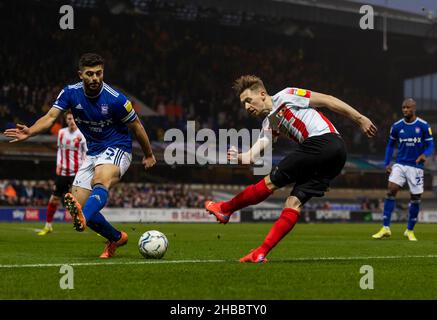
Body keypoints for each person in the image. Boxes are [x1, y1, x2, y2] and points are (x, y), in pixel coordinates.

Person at [205, 75, 377, 263]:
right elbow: (252, 157)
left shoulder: (287, 95)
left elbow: (328, 100)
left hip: (323, 141)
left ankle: (225, 208)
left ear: (262, 94)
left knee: (270, 183)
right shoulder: (269, 124)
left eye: (248, 100)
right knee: (293, 203)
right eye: (243, 104)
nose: (246, 107)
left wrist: (360, 119)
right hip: (335, 156)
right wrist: (240, 157)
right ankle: (260, 253)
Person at [4, 53, 156, 258]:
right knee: (82, 205)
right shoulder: (70, 93)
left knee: (99, 182)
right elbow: (50, 118)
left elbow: (136, 126)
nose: (95, 78)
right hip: (92, 152)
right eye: (90, 74)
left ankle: (82, 217)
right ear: (80, 75)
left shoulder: (116, 99)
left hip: (117, 147)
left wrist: (148, 154)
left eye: (99, 73)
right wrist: (30, 131)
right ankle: (116, 237)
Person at [372, 98, 434, 241]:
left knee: (416, 198)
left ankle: (410, 230)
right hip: (400, 164)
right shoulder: (397, 126)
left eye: (408, 107)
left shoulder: (424, 126)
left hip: (416, 166)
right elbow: (390, 145)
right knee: (391, 189)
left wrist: (425, 155)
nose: (405, 110)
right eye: (403, 108)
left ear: (414, 108)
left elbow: (431, 146)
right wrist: (387, 163)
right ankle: (385, 227)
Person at [37, 111, 87, 235]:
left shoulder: (82, 134)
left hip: (77, 172)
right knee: (54, 199)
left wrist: (85, 170)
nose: (71, 121)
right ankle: (48, 226)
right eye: (69, 119)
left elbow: (86, 153)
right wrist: (58, 165)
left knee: (83, 201)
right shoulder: (61, 133)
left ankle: (96, 226)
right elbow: (60, 150)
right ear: (66, 120)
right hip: (63, 173)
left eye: (73, 118)